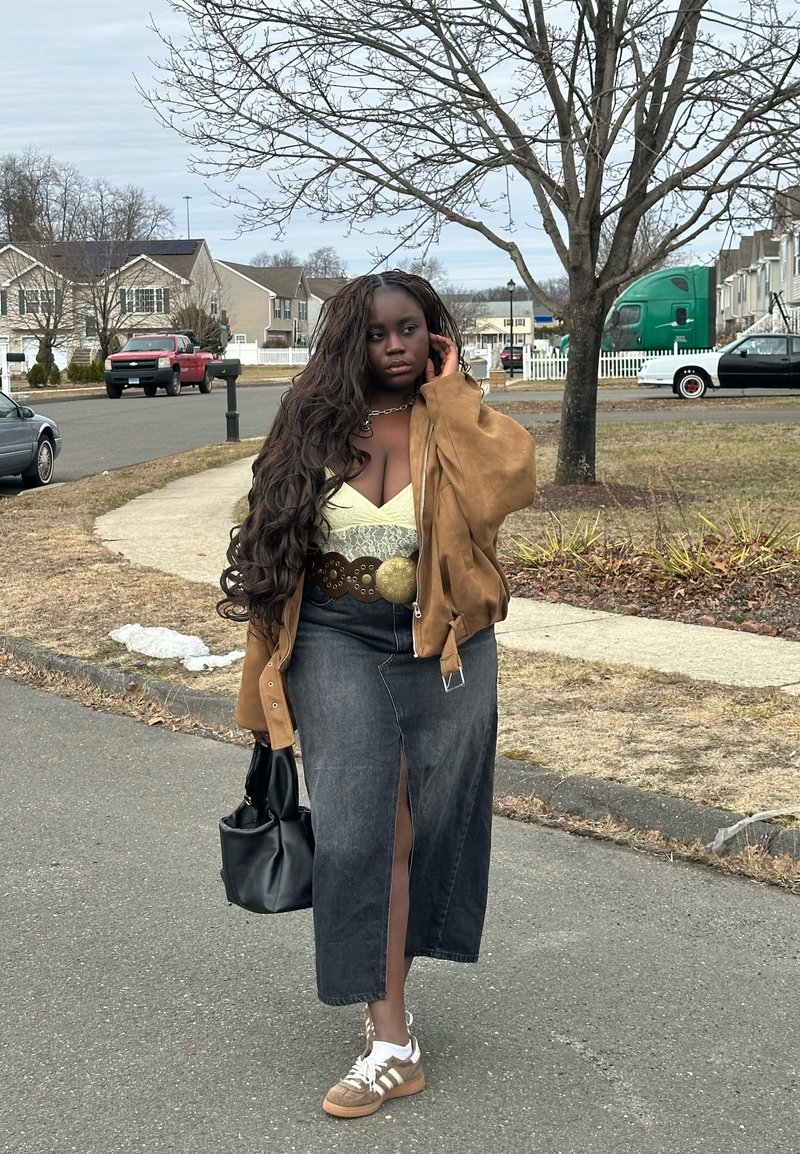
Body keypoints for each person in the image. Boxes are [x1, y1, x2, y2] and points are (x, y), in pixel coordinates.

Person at [221, 270, 536, 1118]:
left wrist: (453, 390)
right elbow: (269, 534)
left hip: (444, 642)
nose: (393, 345)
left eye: (410, 328)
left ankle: (397, 996)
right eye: (375, 332)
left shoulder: (452, 417)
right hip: (335, 634)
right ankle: (389, 1040)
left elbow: (510, 484)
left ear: (433, 334)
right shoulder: (311, 421)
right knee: (361, 830)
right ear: (346, 341)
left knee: (426, 827)